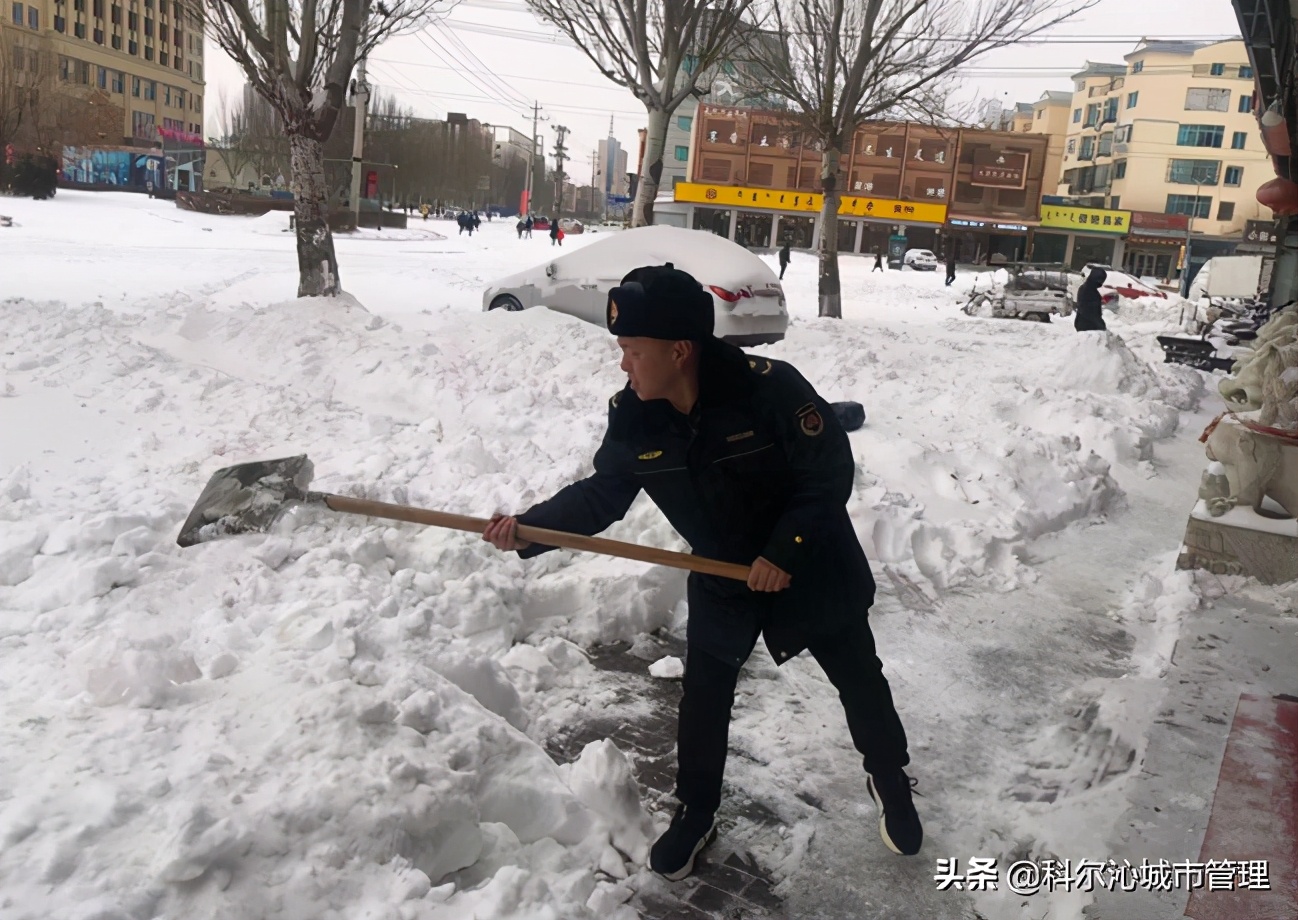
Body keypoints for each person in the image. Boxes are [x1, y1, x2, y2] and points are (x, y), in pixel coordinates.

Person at [483, 264, 922, 881]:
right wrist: (528, 529)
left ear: (679, 350)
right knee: (705, 697)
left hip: (811, 564)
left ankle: (888, 774)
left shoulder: (770, 389)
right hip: (720, 573)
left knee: (858, 676)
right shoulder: (636, 414)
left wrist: (784, 552)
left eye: (633, 351)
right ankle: (696, 809)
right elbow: (603, 496)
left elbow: (826, 477)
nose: (624, 365)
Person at [1074, 267, 1108, 332]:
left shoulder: (1091, 289)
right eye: (1100, 281)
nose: (1101, 283)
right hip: (1087, 326)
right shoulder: (1087, 290)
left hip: (1088, 325)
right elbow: (1087, 310)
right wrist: (1100, 324)